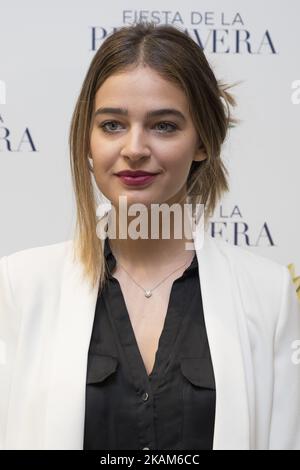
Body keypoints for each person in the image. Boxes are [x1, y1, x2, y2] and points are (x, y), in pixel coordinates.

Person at [0, 22, 299, 451]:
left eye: (163, 126)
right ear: (87, 140)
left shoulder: (267, 295)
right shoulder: (20, 286)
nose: (135, 147)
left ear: (202, 142)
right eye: (112, 125)